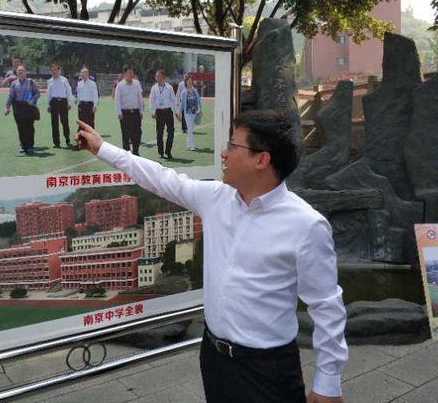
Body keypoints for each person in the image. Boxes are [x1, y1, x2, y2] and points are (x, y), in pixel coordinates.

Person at [75, 110, 348, 403]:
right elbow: (159, 177)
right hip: (215, 358)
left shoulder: (306, 225)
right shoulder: (215, 198)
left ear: (261, 160)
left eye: (233, 146)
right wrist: (102, 148)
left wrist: (328, 381)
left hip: (267, 370)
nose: (224, 153)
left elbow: (326, 305)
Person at [4, 65, 39, 154]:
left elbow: (37, 94)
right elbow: (11, 96)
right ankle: (24, 146)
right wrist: (7, 107)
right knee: (20, 127)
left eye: (22, 70)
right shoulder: (14, 84)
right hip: (18, 107)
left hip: (29, 106)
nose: (20, 72)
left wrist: (32, 100)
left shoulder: (31, 82)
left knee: (29, 127)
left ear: (25, 72)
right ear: (17, 72)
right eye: (18, 71)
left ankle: (30, 146)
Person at [114, 64, 143, 156]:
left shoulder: (137, 83)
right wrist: (119, 112)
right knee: (126, 134)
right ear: (124, 74)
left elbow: (140, 98)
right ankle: (127, 155)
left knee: (137, 133)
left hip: (135, 112)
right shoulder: (120, 85)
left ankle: (135, 152)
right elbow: (117, 100)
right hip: (125, 113)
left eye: (132, 72)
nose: (131, 74)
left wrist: (141, 111)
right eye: (129, 72)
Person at [149, 69, 177, 159]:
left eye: (159, 76)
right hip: (159, 112)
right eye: (156, 76)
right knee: (159, 133)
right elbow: (151, 100)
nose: (157, 78)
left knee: (171, 132)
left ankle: (168, 151)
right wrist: (152, 112)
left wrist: (176, 112)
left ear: (163, 77)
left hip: (168, 112)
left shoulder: (169, 87)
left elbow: (174, 99)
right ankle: (160, 152)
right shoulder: (154, 88)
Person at [46, 64, 74, 148]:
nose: (54, 72)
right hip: (54, 102)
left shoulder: (64, 80)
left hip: (63, 102)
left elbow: (69, 91)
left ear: (59, 71)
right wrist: (48, 105)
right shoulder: (49, 81)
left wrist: (70, 103)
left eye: (55, 70)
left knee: (64, 122)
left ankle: (67, 139)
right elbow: (48, 94)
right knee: (54, 123)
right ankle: (56, 143)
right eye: (52, 70)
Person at [177, 75, 202, 151]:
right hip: (187, 113)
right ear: (186, 83)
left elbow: (198, 101)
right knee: (190, 128)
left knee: (191, 128)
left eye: (191, 80)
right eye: (188, 81)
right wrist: (179, 113)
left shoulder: (195, 91)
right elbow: (182, 104)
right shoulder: (184, 92)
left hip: (194, 112)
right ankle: (192, 145)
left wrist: (200, 110)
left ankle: (188, 143)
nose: (190, 82)